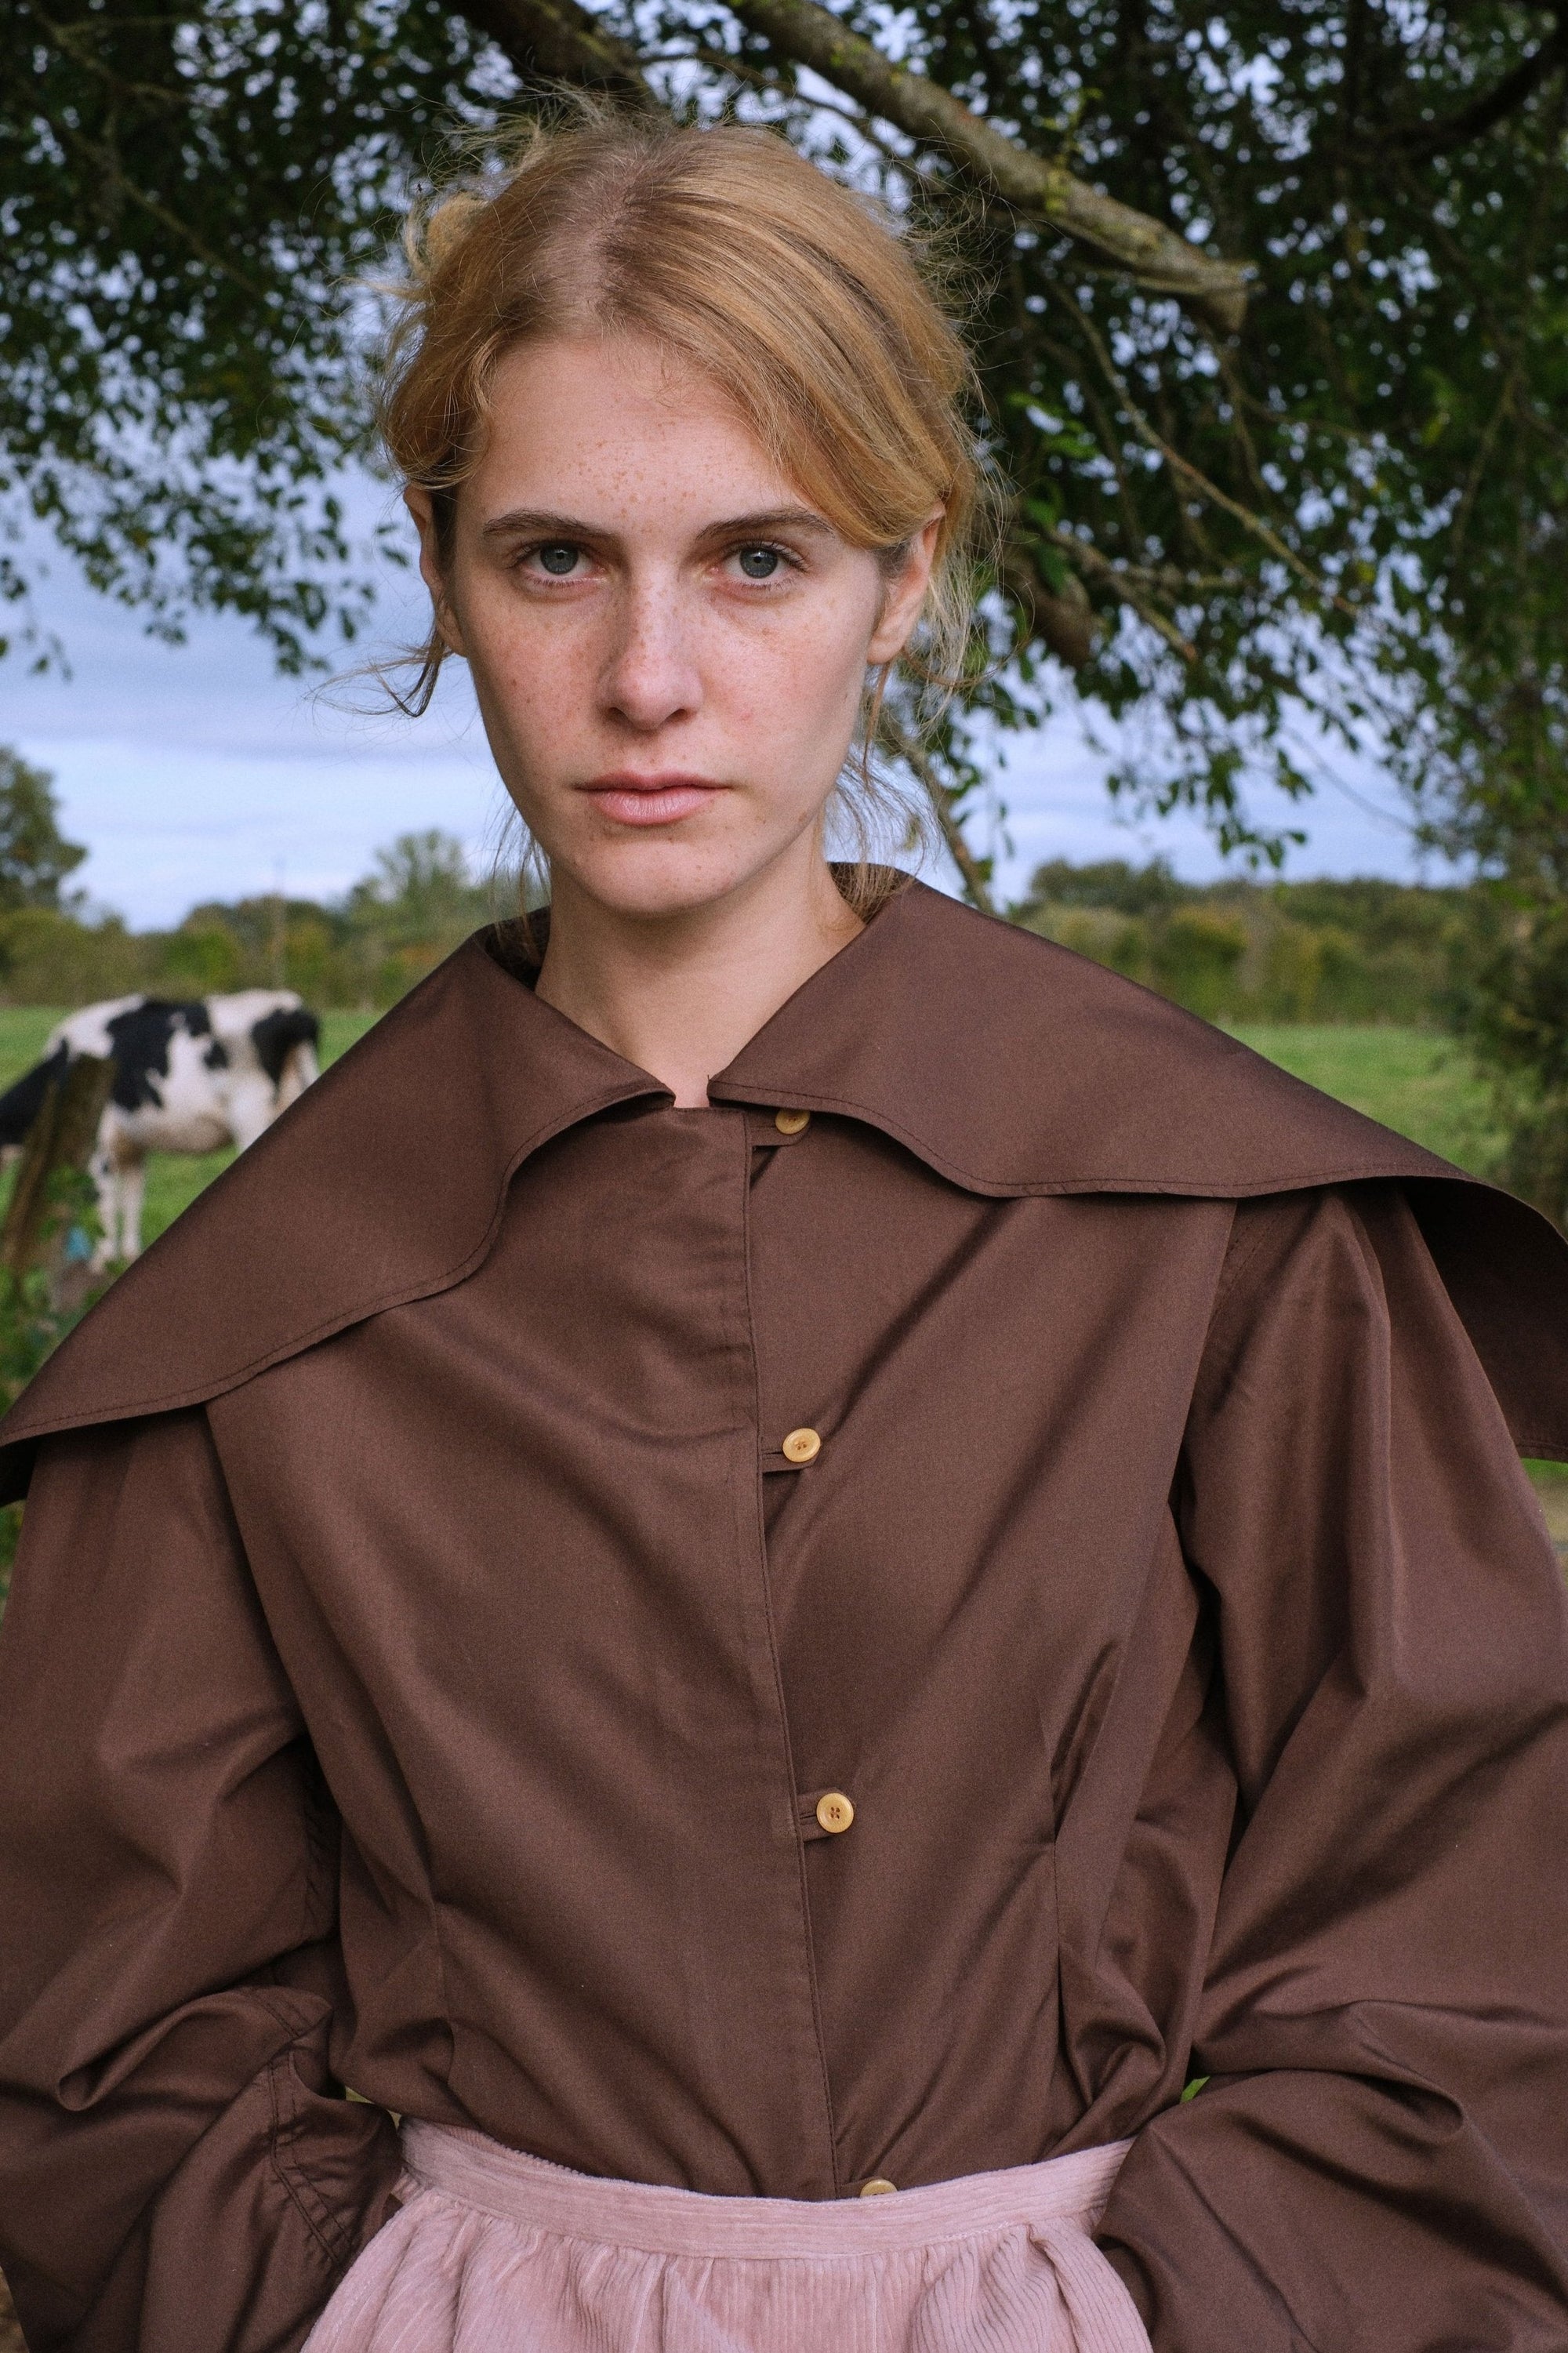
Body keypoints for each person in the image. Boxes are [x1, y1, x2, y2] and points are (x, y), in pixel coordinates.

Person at [1, 111, 1567, 2353]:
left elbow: (1482, 1933)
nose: (652, 678)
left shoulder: (1232, 1225)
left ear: (904, 578)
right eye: (555, 560)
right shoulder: (256, 1316)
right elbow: (95, 2036)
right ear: (446, 576)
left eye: (758, 558)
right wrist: (368, 2315)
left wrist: (1144, 2327)